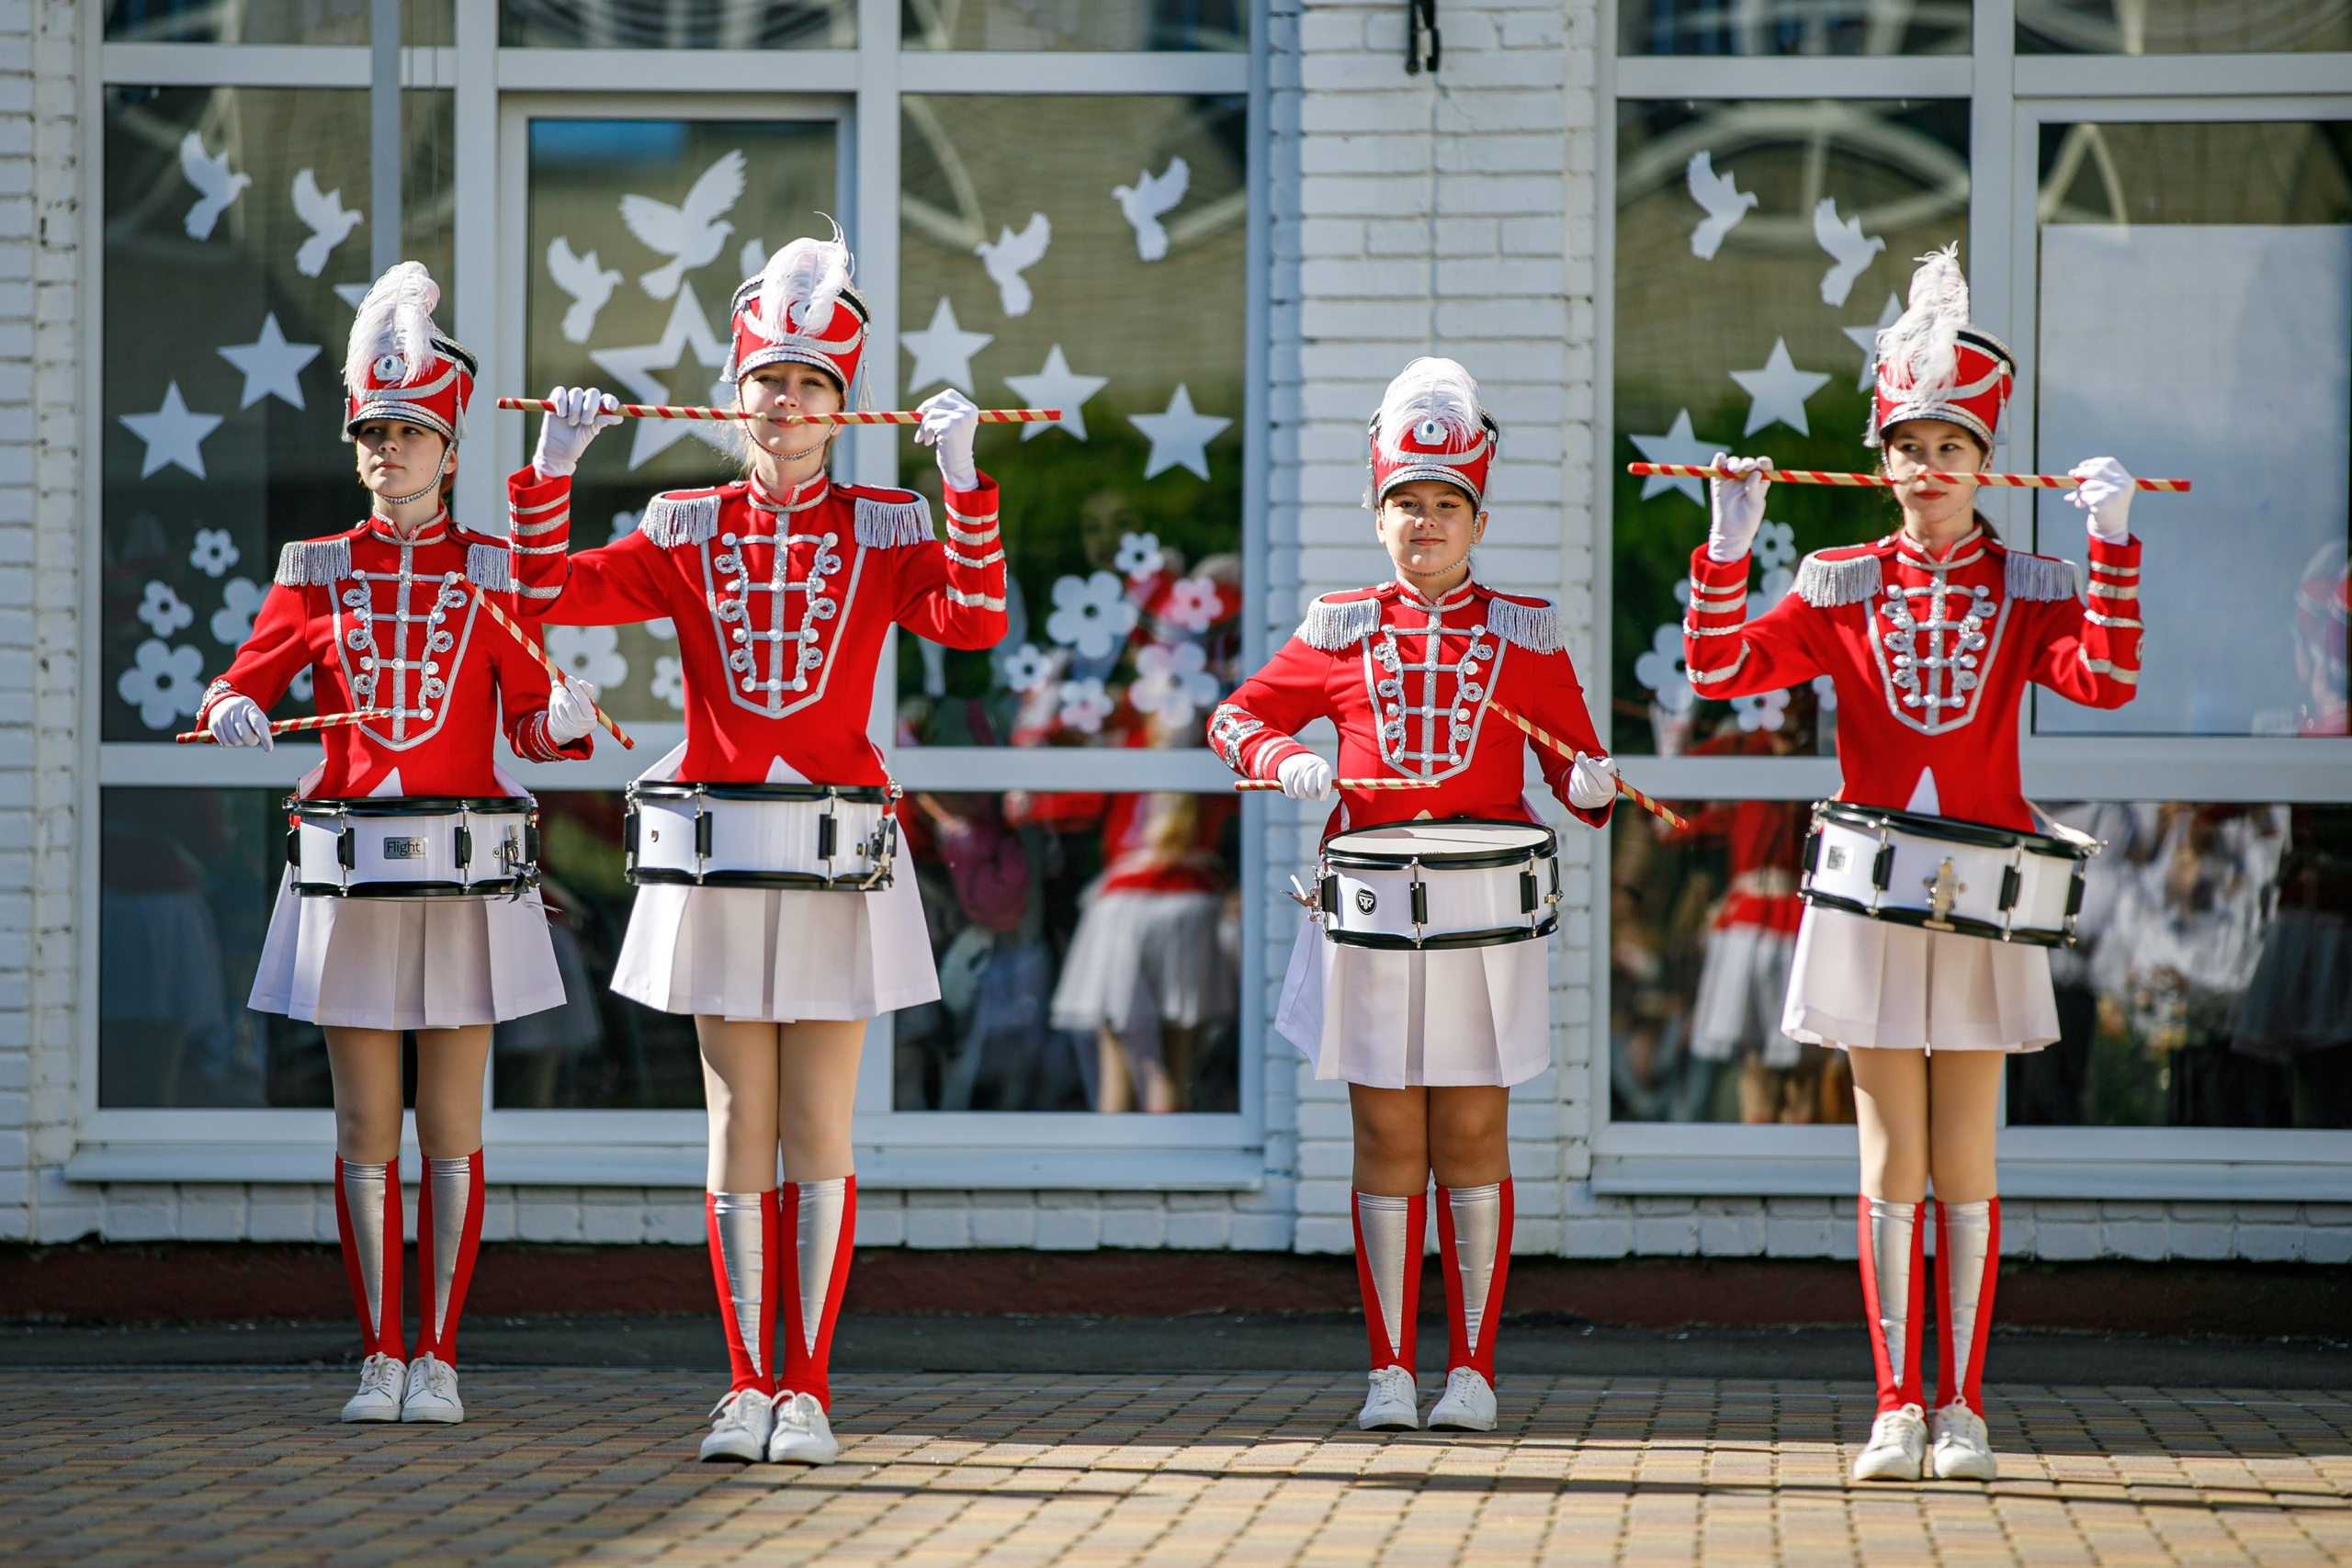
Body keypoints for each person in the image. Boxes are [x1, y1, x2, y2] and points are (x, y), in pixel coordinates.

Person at [505, 227, 1004, 1465]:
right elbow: (542, 594)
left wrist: (963, 482)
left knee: (820, 1121)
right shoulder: (683, 524)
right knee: (739, 1118)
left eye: (810, 383)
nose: (785, 401)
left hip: (839, 854)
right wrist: (550, 464)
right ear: (735, 395)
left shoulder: (887, 526)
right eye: (767, 380)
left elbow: (976, 620)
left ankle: (809, 1389)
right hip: (720, 854)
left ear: (842, 404)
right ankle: (743, 1384)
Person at [1681, 245, 2143, 1482]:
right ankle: (1895, 1403)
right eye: (1909, 447)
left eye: (1952, 446)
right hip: (1871, 897)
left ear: (1985, 461)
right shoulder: (1839, 584)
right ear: (1880, 460)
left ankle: (1966, 1408)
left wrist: (2112, 546)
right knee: (1890, 1157)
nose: (1929, 468)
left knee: (1968, 1160)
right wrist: (1728, 545)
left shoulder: (2031, 584)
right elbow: (1719, 670)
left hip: (1987, 897)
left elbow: (2105, 679)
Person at [196, 263, 602, 1425]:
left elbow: (530, 724)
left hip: (467, 875)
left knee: (453, 1129)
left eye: (409, 432)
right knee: (366, 1125)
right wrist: (234, 704)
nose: (386, 450)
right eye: (372, 433)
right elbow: (245, 675)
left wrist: (563, 720)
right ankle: (381, 1354)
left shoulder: (492, 570)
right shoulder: (315, 567)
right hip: (350, 871)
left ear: (450, 448)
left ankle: (443, 1359)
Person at [1209, 358, 1618, 1434]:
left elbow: (1577, 770)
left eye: (1446, 504)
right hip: (1372, 917)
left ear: (1478, 518)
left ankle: (1471, 1373)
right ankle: (1390, 1371)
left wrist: (1589, 780)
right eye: (1405, 503)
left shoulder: (1523, 633)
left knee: (1472, 1133)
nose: (1424, 522)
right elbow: (1234, 718)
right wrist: (1284, 760)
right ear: (1377, 513)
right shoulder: (1338, 627)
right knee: (1387, 1137)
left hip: (1484, 923)